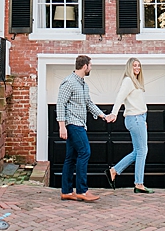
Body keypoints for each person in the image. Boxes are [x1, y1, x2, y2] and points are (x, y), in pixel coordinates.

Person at [56, 54, 106, 202]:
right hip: (73, 124)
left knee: (70, 158)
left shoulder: (83, 84)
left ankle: (66, 191)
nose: (91, 68)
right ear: (85, 66)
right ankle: (82, 190)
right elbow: (60, 104)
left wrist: (103, 116)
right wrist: (62, 126)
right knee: (85, 152)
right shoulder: (69, 82)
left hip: (80, 124)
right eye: (90, 66)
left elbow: (89, 103)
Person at [105, 57, 154, 193]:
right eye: (134, 66)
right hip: (134, 118)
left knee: (138, 151)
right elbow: (119, 98)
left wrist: (144, 120)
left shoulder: (136, 82)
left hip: (139, 118)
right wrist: (114, 113)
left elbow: (138, 104)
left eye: (139, 65)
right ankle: (138, 184)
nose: (137, 68)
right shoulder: (128, 81)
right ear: (129, 67)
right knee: (142, 151)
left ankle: (114, 170)